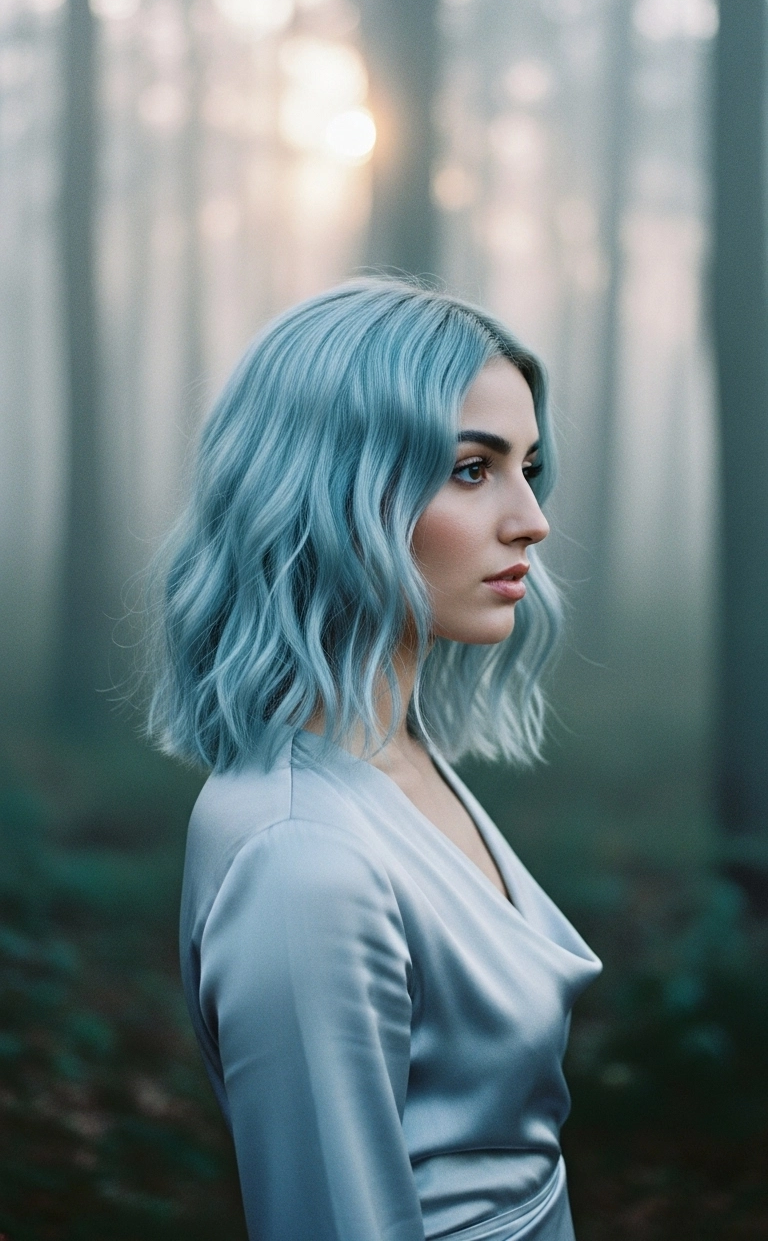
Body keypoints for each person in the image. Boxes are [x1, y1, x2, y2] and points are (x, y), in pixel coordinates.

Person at [150, 279, 601, 1241]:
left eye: (528, 466)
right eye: (473, 470)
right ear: (333, 485)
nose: (532, 519)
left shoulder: (395, 755)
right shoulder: (300, 859)